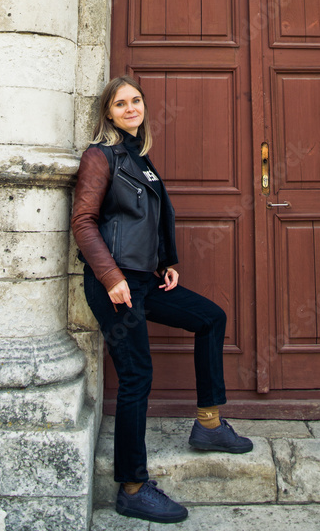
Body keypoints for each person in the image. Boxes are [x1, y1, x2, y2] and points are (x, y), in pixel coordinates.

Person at [72, 75, 252, 524]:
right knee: (136, 376)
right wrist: (111, 275)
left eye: (136, 100)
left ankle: (208, 424)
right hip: (114, 284)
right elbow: (83, 221)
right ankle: (132, 487)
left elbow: (148, 219)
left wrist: (165, 261)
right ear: (107, 113)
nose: (131, 108)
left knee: (210, 318)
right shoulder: (101, 156)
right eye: (120, 103)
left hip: (145, 280)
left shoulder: (141, 158)